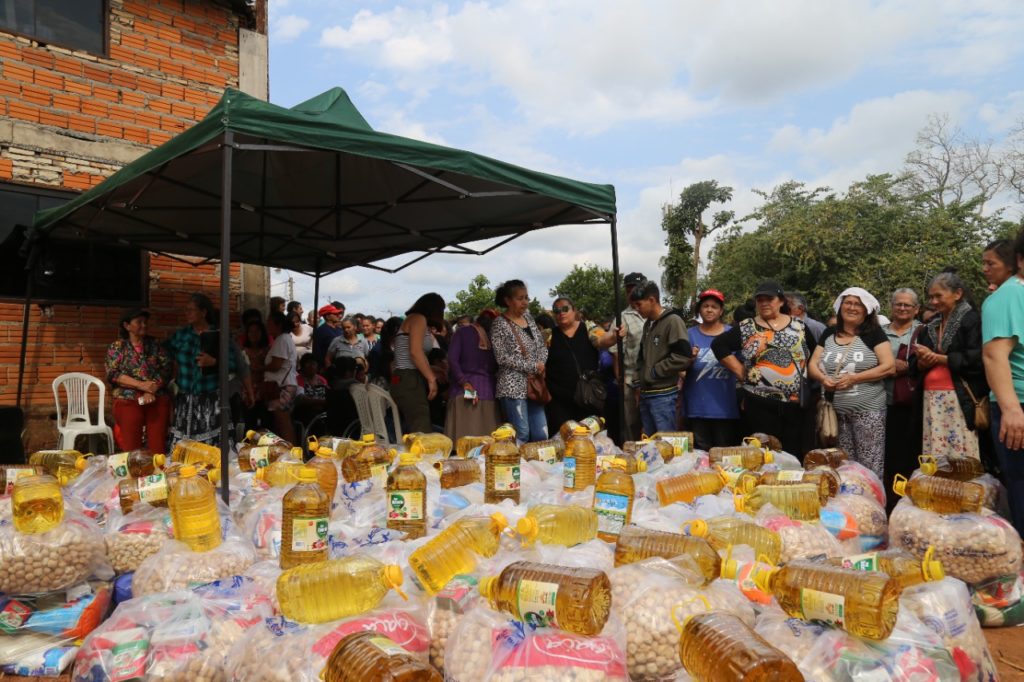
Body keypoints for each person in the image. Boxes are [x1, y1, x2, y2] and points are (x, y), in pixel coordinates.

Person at [712, 281, 815, 457]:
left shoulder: (800, 327)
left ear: (781, 301)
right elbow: (719, 345)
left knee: (793, 454)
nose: (764, 303)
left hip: (794, 405)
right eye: (760, 300)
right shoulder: (747, 327)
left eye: (770, 299)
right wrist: (740, 371)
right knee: (761, 455)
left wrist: (807, 380)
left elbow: (814, 354)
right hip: (759, 403)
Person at [807, 288, 894, 480]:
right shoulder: (829, 333)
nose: (852, 307)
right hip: (837, 414)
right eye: (848, 303)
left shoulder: (874, 334)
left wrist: (855, 378)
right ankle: (851, 507)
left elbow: (889, 367)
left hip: (869, 412)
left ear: (866, 310)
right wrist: (823, 379)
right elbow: (812, 365)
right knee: (843, 465)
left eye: (857, 304)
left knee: (869, 466)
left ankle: (873, 505)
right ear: (840, 307)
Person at [911, 270, 986, 460]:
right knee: (935, 450)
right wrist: (921, 362)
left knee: (960, 452)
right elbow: (914, 363)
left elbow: (976, 360)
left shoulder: (972, 320)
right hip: (931, 398)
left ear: (958, 294)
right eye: (931, 297)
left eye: (938, 296)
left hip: (959, 398)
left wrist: (939, 359)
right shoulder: (930, 325)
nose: (933, 302)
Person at [982, 230, 1024, 534]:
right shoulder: (1010, 295)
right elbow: (995, 355)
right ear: (1020, 261)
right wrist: (1011, 410)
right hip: (1018, 406)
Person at [166, 293, 241, 448]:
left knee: (213, 447)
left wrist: (214, 361)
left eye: (191, 310)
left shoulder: (219, 336)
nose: (187, 313)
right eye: (186, 310)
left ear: (203, 312)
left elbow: (234, 364)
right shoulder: (182, 335)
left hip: (212, 398)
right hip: (186, 399)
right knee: (185, 449)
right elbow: (164, 354)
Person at [544, 296, 616, 433]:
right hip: (559, 401)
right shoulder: (548, 335)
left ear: (574, 310)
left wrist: (613, 336)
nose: (561, 313)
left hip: (588, 398)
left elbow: (602, 340)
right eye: (556, 310)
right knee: (564, 439)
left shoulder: (588, 328)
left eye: (565, 309)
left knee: (592, 439)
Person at [631, 280, 692, 436]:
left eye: (639, 304)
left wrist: (654, 372)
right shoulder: (648, 324)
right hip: (646, 393)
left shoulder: (673, 321)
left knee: (666, 443)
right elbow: (641, 356)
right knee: (650, 444)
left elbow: (683, 356)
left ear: (652, 300)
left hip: (663, 395)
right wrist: (638, 380)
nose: (637, 309)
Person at [106, 308, 172, 451]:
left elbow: (166, 369)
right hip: (128, 397)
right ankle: (134, 470)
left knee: (157, 445)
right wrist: (141, 386)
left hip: (155, 395)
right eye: (139, 322)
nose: (144, 325)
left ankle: (157, 468)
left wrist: (151, 389)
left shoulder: (155, 345)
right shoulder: (117, 347)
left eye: (145, 322)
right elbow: (113, 374)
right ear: (127, 326)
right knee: (131, 445)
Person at [491, 279, 548, 442]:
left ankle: (538, 467)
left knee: (541, 434)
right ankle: (517, 467)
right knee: (521, 434)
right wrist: (533, 366)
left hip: (535, 384)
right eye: (520, 298)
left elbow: (541, 346)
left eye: (526, 298)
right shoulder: (499, 324)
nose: (525, 302)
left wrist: (541, 363)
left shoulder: (529, 319)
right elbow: (501, 357)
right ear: (508, 301)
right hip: (512, 386)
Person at [882, 288, 922, 511]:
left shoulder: (923, 332)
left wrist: (907, 367)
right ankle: (889, 502)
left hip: (911, 404)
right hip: (882, 402)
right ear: (892, 306)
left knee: (909, 454)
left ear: (916, 309)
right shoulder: (879, 332)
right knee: (887, 455)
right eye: (899, 304)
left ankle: (908, 502)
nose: (903, 308)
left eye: (908, 305)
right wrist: (887, 367)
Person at [684, 290, 740, 449]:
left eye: (714, 307)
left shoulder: (732, 334)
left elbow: (743, 367)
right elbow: (679, 368)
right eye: (705, 306)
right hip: (696, 407)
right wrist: (689, 360)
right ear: (700, 310)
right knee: (700, 457)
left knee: (724, 455)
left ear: (721, 311)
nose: (709, 310)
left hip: (724, 407)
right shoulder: (689, 334)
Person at [390, 293, 446, 433]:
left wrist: (432, 369)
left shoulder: (412, 319)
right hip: (409, 378)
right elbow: (415, 352)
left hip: (403, 377)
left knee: (415, 425)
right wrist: (431, 378)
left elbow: (408, 355)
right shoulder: (418, 319)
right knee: (420, 427)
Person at [444, 309, 501, 440]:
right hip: (488, 394)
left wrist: (464, 382)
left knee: (463, 445)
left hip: (465, 391)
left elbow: (452, 359)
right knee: (486, 448)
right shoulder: (494, 337)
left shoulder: (462, 332)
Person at [612, 272, 648, 442]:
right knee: (631, 423)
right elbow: (615, 354)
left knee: (651, 423)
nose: (633, 294)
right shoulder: (622, 318)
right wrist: (620, 379)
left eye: (637, 289)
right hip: (630, 379)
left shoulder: (655, 315)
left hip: (653, 380)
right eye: (629, 290)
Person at [263, 310, 298, 443]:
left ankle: (292, 455)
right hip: (284, 385)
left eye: (269, 323)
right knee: (281, 423)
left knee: (284, 423)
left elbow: (276, 365)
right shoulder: (284, 339)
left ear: (277, 325)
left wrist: (259, 367)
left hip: (282, 386)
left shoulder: (282, 339)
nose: (267, 325)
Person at [241, 319, 271, 431]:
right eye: (250, 331)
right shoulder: (242, 351)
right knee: (249, 425)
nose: (253, 334)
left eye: (257, 331)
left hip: (264, 391)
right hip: (247, 392)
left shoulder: (268, 350)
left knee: (265, 424)